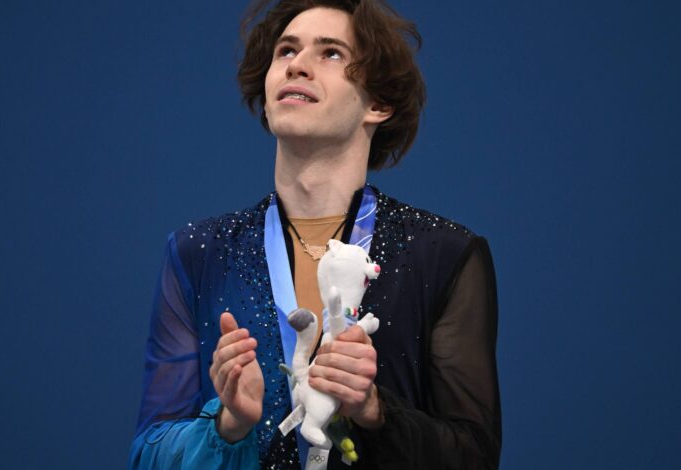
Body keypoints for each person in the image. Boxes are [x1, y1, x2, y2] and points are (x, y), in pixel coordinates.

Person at [129, 1, 501, 468]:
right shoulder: (197, 253)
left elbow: (474, 455)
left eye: (330, 53)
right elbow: (147, 453)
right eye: (286, 51)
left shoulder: (444, 254)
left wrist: (374, 411)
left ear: (379, 104)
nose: (297, 65)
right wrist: (228, 426)